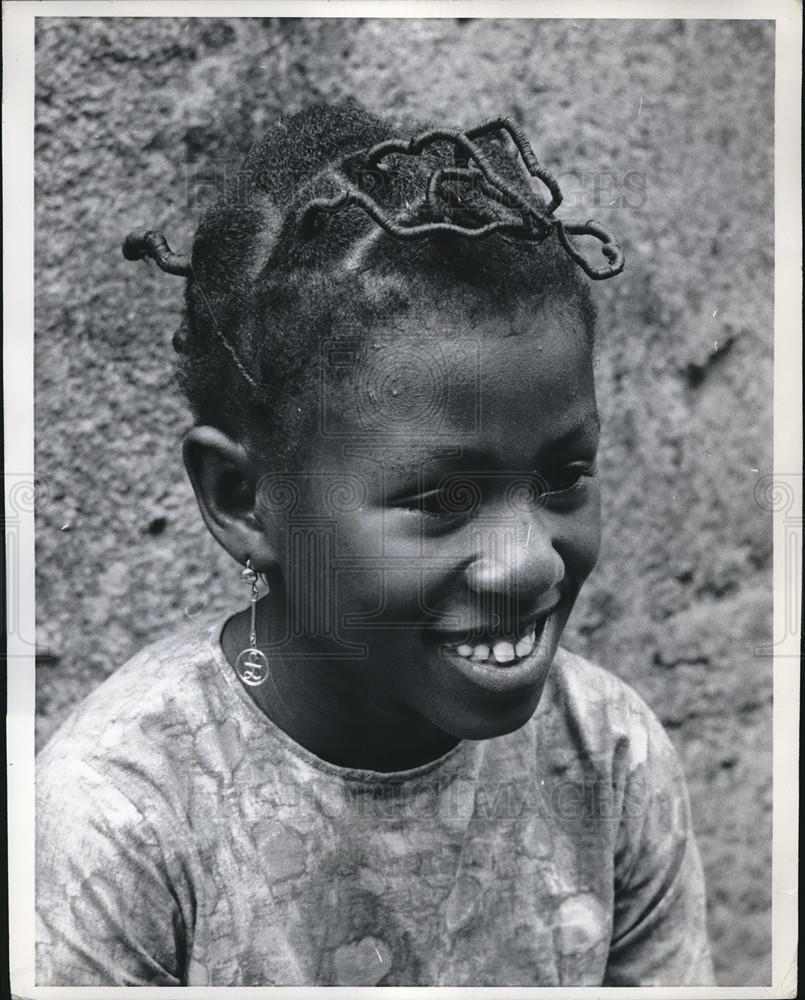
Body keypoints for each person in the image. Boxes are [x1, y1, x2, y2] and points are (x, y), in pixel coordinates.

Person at [36, 102, 715, 986]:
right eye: (439, 498)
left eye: (562, 476)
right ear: (244, 498)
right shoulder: (120, 823)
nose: (533, 563)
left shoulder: (609, 760)